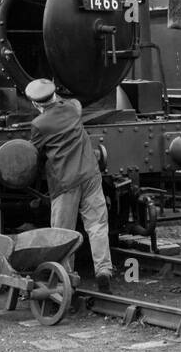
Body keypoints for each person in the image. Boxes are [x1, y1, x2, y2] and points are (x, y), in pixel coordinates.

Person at [25, 78, 114, 292]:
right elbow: (72, 102)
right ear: (54, 95)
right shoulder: (74, 109)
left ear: (36, 104)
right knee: (98, 225)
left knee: (63, 232)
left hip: (65, 182)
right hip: (91, 174)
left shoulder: (39, 125)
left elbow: (32, 153)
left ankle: (68, 279)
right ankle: (103, 270)